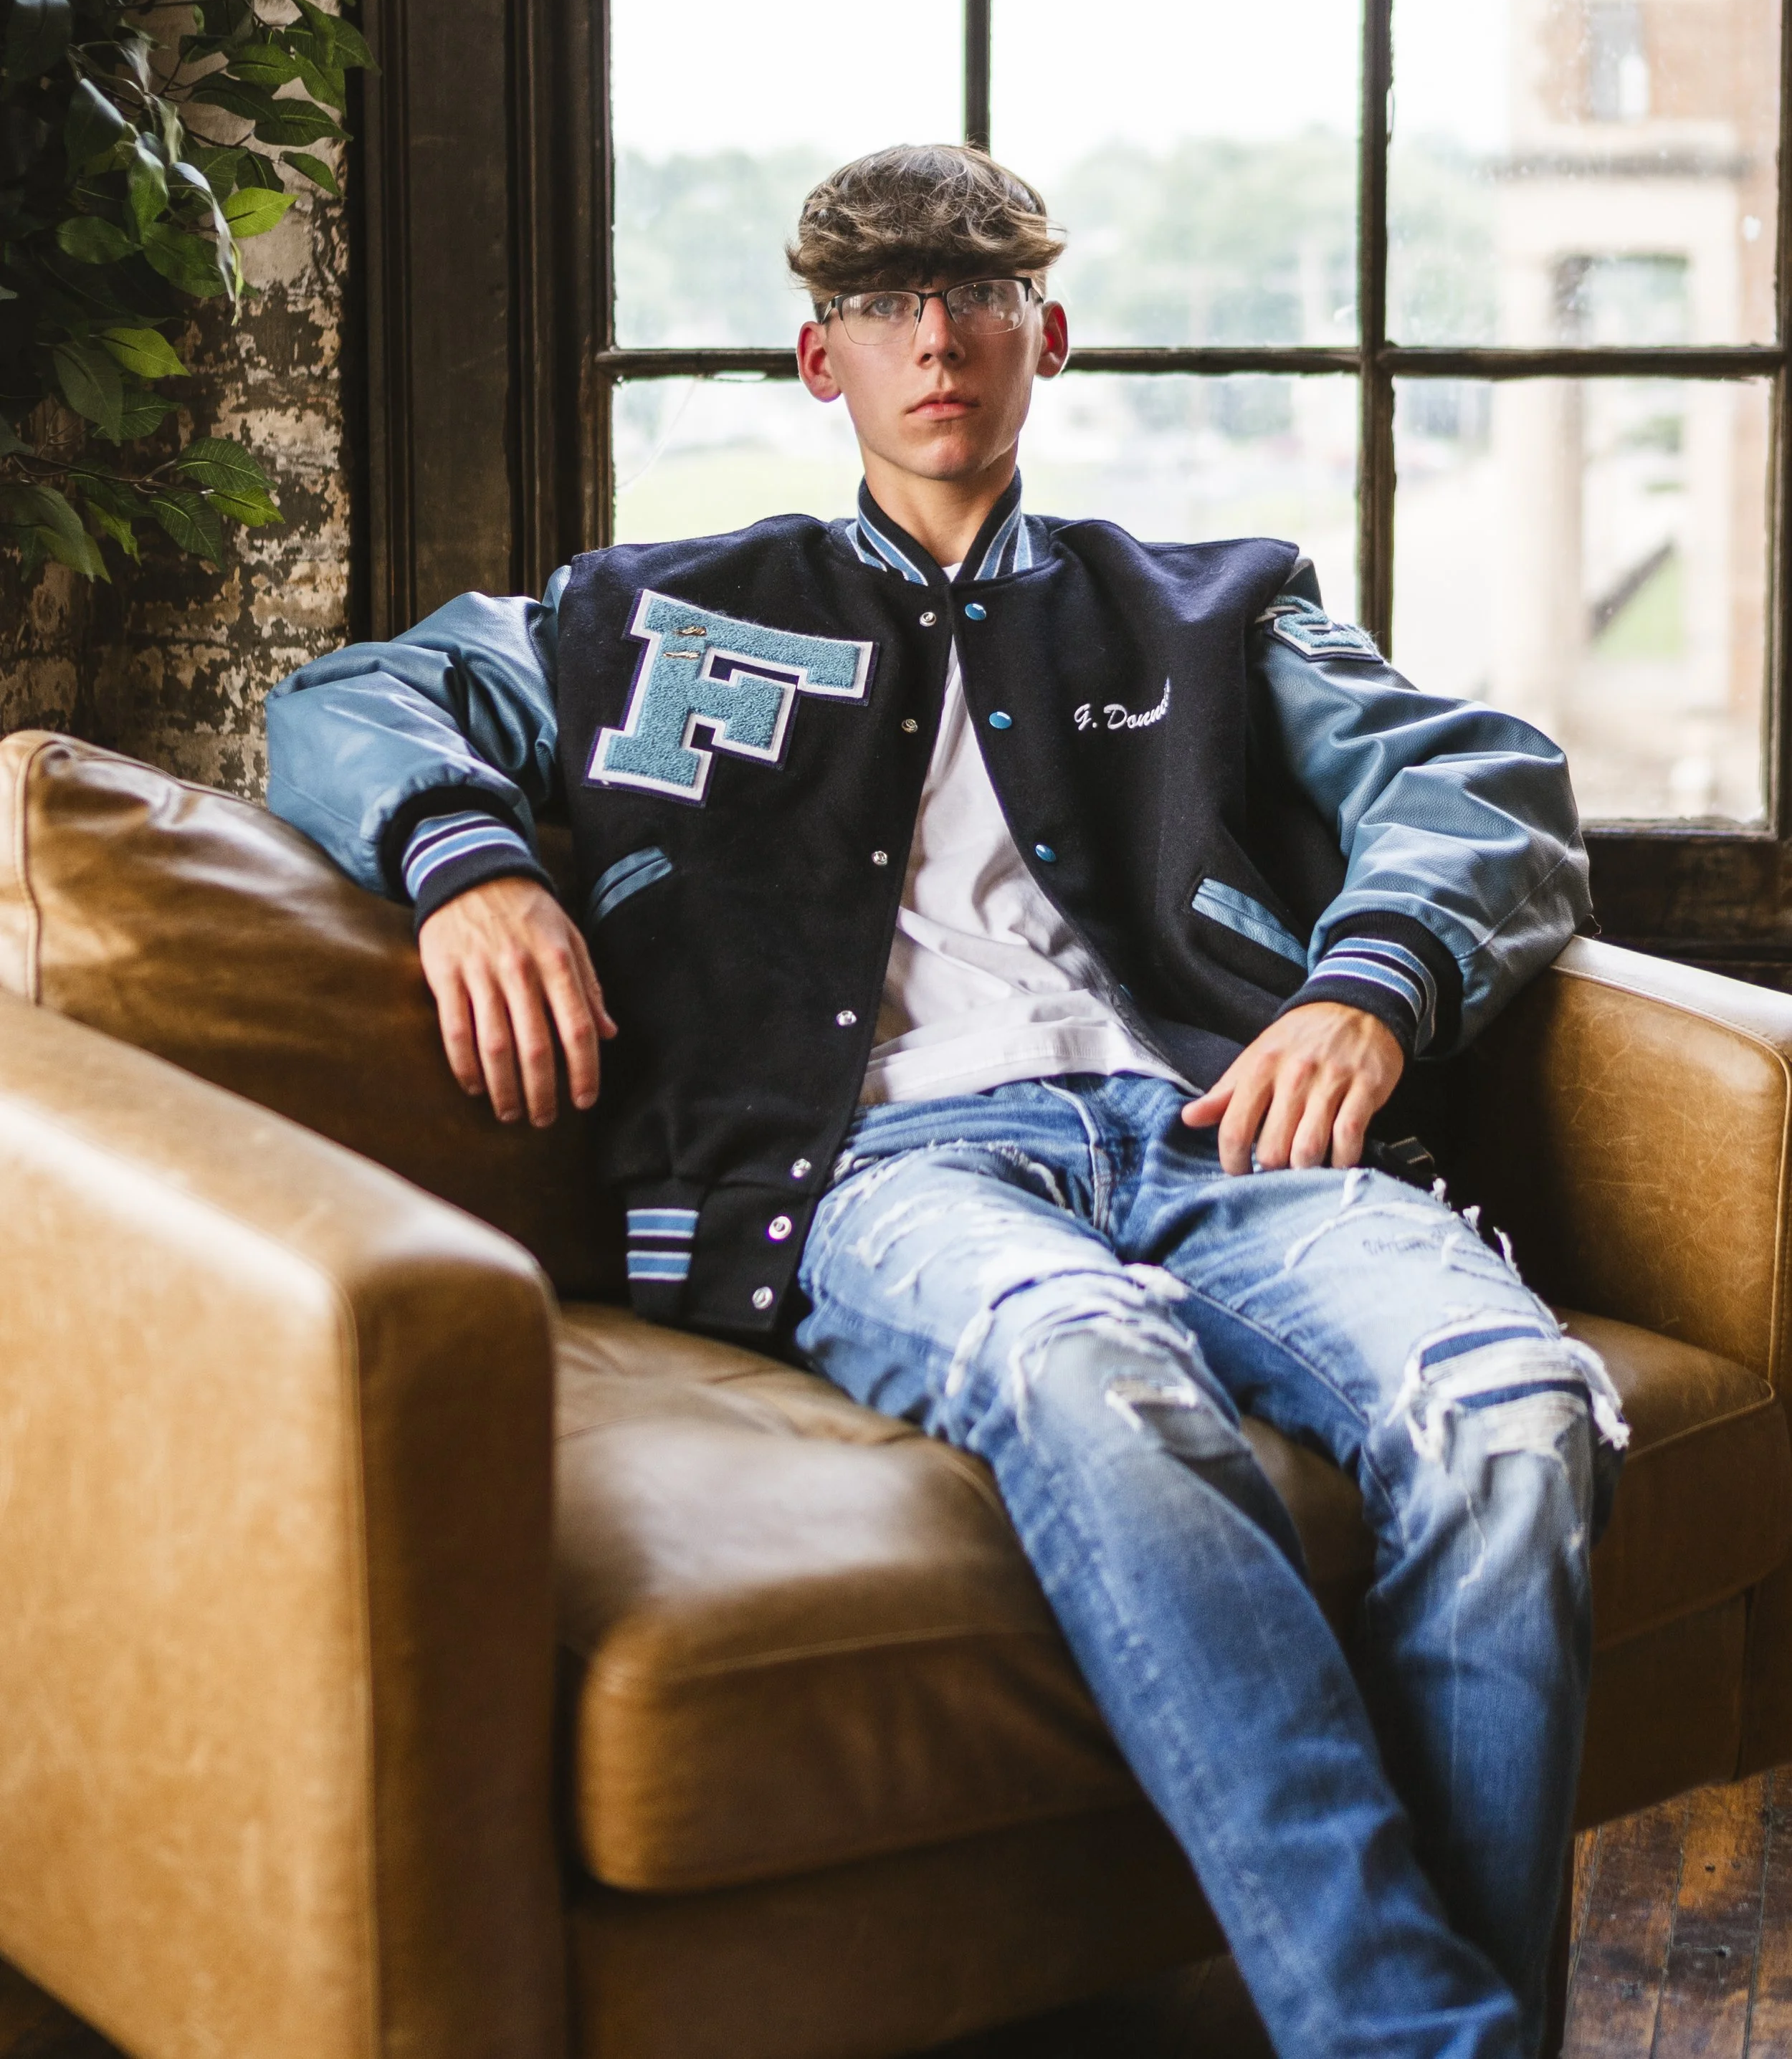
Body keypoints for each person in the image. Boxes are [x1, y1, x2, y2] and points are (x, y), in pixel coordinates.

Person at [267, 141, 1625, 2059]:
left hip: (1221, 1133)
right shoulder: (653, 611)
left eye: (978, 296)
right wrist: (466, 860)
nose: (937, 338)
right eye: (885, 302)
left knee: (1508, 1409)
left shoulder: (1204, 607)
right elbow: (346, 699)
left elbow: (1475, 777)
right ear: (817, 357)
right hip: (889, 1166)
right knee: (1095, 1368)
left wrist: (1368, 989)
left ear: (1043, 336)